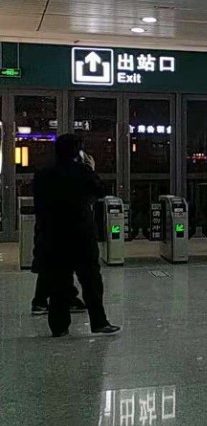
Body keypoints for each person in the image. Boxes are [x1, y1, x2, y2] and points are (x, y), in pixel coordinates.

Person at [32, 133, 120, 337]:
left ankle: (59, 326)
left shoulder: (43, 173)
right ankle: (98, 322)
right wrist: (91, 168)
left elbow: (40, 204)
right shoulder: (82, 171)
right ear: (77, 151)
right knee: (91, 281)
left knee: (59, 282)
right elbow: (100, 190)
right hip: (81, 235)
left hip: (54, 235)